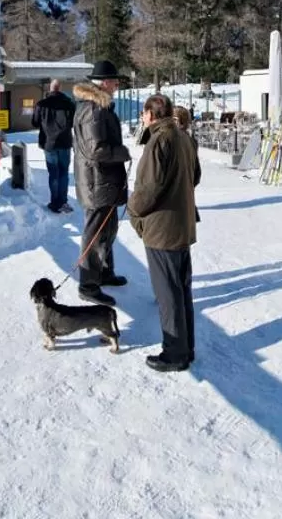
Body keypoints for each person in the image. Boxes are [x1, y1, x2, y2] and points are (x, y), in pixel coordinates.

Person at [129, 96, 201, 373]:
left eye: (143, 113)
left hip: (163, 229)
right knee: (181, 290)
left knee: (168, 293)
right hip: (182, 224)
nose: (142, 118)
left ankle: (174, 353)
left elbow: (149, 189)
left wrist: (132, 207)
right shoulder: (184, 137)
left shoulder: (159, 140)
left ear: (150, 114)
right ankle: (186, 347)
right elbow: (195, 176)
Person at [72, 60, 132, 307]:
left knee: (108, 230)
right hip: (97, 183)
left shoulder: (99, 107)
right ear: (104, 83)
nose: (117, 85)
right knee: (95, 234)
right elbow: (96, 150)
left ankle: (104, 272)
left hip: (104, 182)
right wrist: (123, 152)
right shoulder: (94, 110)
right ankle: (88, 284)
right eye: (115, 81)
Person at [33, 79, 76, 214]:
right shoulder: (69, 104)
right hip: (64, 143)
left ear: (50, 89)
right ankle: (63, 201)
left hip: (49, 144)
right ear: (60, 88)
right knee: (64, 173)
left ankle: (54, 202)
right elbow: (74, 122)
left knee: (53, 173)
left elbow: (34, 122)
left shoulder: (41, 104)